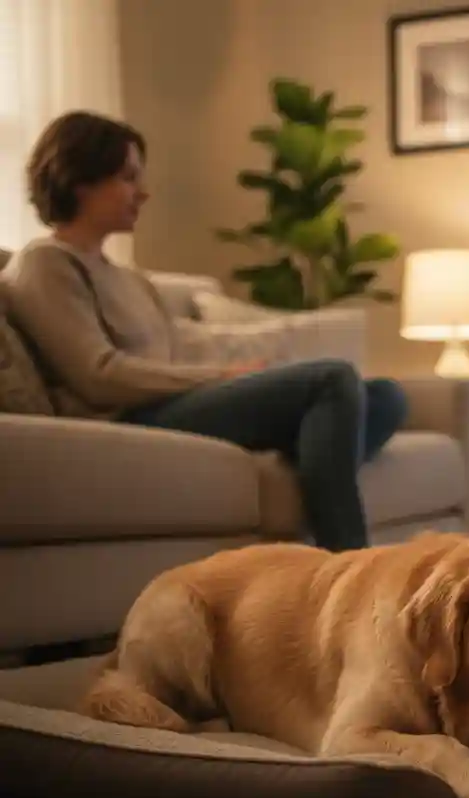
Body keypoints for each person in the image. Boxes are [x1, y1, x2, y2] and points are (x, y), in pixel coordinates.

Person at [1, 110, 407, 552]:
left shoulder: (131, 279)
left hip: (177, 406)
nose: (143, 192)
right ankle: (348, 561)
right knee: (331, 379)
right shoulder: (45, 264)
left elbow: (179, 354)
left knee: (386, 395)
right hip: (128, 419)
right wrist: (223, 378)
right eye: (128, 178)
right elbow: (98, 376)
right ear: (79, 179)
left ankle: (312, 468)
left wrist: (251, 375)